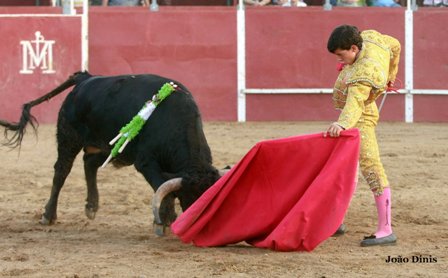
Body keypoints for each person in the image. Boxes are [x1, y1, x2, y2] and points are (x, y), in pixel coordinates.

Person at [325, 25, 401, 247]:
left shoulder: (363, 73)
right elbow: (395, 44)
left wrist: (342, 123)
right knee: (346, 166)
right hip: (356, 112)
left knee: (370, 166)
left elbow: (355, 103)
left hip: (361, 117)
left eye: (340, 55)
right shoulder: (371, 38)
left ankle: (386, 229)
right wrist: (391, 75)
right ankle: (335, 220)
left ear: (354, 48)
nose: (338, 59)